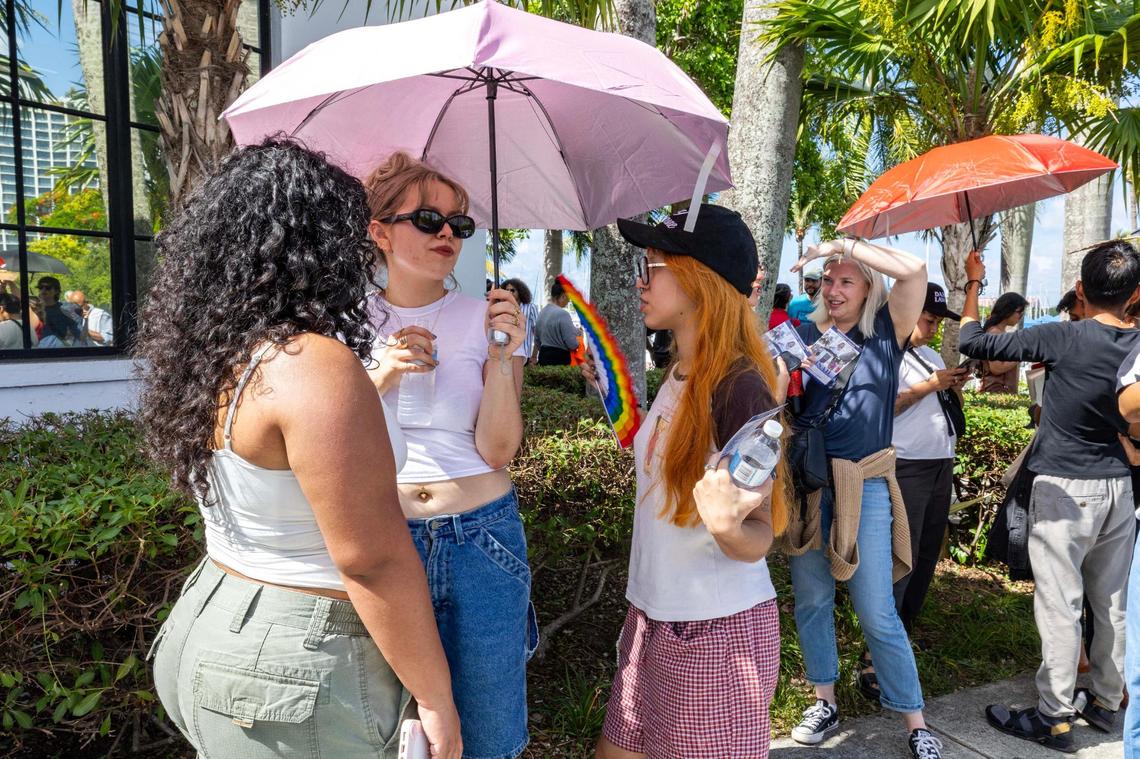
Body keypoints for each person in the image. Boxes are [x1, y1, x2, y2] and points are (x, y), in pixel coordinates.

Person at [137, 140, 462, 759]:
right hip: (295, 663)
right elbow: (370, 559)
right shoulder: (312, 363)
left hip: (211, 617)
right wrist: (437, 698)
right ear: (319, 246)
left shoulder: (219, 354)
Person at [591, 204, 788, 759]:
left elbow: (761, 535)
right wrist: (616, 396)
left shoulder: (740, 387)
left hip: (714, 634)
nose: (640, 278)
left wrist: (728, 528)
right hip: (652, 614)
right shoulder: (681, 371)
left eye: (654, 265)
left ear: (699, 279)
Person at [362, 152, 533, 759]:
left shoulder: (488, 318)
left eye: (459, 225)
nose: (447, 234)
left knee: (488, 731)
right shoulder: (346, 326)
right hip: (386, 537)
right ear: (379, 230)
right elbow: (334, 449)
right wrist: (377, 379)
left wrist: (502, 356)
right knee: (389, 730)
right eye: (428, 218)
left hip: (481, 539)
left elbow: (499, 449)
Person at [960, 242, 1140, 752]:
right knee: (1111, 603)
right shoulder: (1138, 347)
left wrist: (974, 282)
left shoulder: (1063, 336)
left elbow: (974, 342)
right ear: (1136, 294)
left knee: (1061, 604)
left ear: (1081, 291)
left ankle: (1054, 716)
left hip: (1065, 488)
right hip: (1119, 488)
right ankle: (1107, 703)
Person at [783, 238, 940, 759]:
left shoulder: (884, 336)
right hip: (808, 486)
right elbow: (775, 392)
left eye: (846, 280)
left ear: (869, 288)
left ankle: (915, 721)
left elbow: (915, 270)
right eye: (828, 280)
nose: (833, 289)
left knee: (876, 611)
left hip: (865, 486)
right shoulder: (803, 335)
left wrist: (844, 246)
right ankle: (823, 699)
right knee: (813, 600)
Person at [888, 283, 967, 635]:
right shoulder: (887, 354)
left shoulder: (931, 357)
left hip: (940, 462)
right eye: (929, 321)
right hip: (907, 464)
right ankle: (884, 636)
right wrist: (929, 386)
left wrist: (953, 386)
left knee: (928, 548)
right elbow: (882, 410)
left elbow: (945, 407)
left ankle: (905, 624)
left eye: (937, 323)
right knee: (905, 551)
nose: (933, 330)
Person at [977, 292, 1028, 393]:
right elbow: (996, 367)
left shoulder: (998, 332)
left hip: (997, 390)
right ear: (1008, 311)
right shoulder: (994, 333)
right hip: (995, 390)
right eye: (1019, 312)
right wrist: (1021, 355)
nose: (1021, 316)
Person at [535, 279, 579, 365]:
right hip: (559, 359)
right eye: (568, 298)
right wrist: (578, 339)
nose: (568, 301)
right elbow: (572, 344)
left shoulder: (541, 313)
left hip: (543, 357)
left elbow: (537, 340)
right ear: (563, 296)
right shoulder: (563, 314)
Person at [35, 276, 82, 348]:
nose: (43, 290)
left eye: (48, 288)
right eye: (40, 287)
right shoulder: (34, 310)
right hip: (35, 351)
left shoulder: (68, 309)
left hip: (58, 352)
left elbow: (78, 334)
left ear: (56, 291)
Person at [502, 278, 539, 365]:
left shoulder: (530, 308)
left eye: (512, 290)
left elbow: (537, 333)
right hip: (507, 355)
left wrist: (534, 356)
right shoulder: (503, 307)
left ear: (520, 292)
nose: (509, 293)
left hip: (525, 355)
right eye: (507, 290)